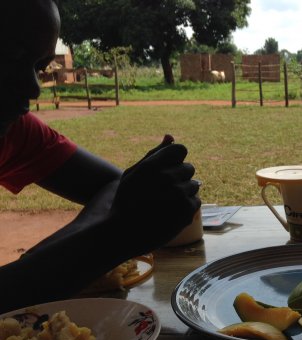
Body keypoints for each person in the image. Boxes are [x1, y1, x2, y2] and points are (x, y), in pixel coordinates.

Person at [0, 0, 201, 312]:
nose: (33, 88)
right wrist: (111, 237)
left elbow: (112, 185)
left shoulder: (12, 132)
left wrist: (51, 258)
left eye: (40, 67)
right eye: (10, 57)